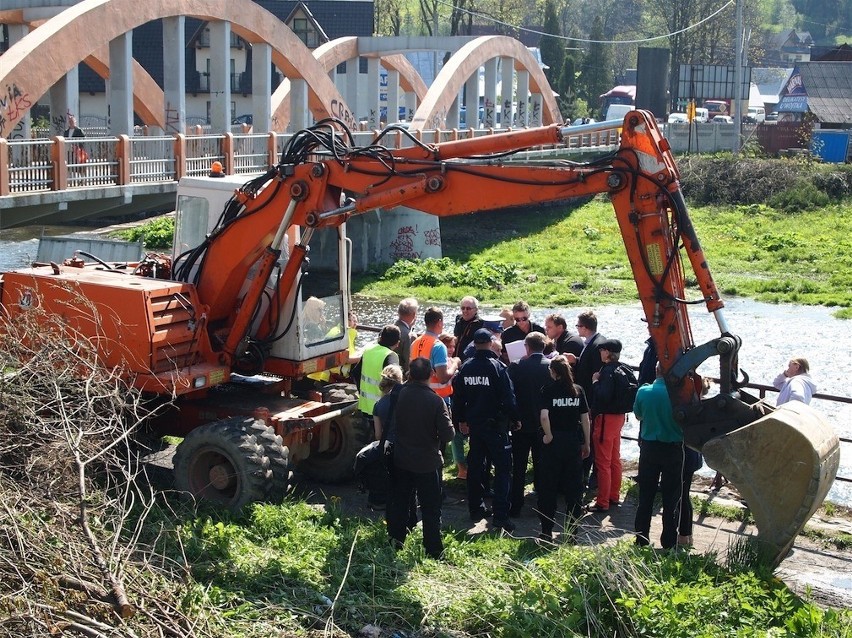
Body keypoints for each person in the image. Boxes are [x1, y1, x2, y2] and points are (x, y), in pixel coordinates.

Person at [386, 357, 454, 559]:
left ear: (410, 374)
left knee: (401, 503)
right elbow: (448, 435)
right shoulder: (435, 400)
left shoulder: (398, 394)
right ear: (431, 374)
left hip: (401, 459)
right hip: (427, 462)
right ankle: (433, 550)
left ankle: (396, 542)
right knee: (431, 509)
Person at [453, 328, 520, 532]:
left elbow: (458, 399)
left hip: (475, 426)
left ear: (474, 344)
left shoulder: (466, 368)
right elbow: (508, 398)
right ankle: (500, 516)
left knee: (475, 466)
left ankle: (476, 508)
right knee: (502, 469)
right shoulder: (498, 368)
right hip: (496, 426)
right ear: (491, 343)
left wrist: (460, 421)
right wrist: (515, 418)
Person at [537, 355, 590, 541]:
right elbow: (585, 419)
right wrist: (587, 443)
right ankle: (571, 533)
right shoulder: (578, 391)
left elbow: (544, 416)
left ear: (553, 372)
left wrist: (548, 434)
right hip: (572, 442)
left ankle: (546, 531)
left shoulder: (548, 390)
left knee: (548, 488)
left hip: (554, 444)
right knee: (574, 490)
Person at [633, 363, 685, 550]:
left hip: (649, 448)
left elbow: (638, 415)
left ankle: (641, 538)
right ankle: (669, 541)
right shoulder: (679, 395)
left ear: (656, 372)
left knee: (645, 495)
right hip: (672, 449)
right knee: (671, 498)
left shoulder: (644, 391)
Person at [507, 331, 551, 517]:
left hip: (521, 424)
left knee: (518, 466)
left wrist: (513, 418)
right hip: (544, 425)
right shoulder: (551, 367)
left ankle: (516, 504)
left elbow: (509, 395)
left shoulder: (516, 366)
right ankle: (543, 504)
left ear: (527, 347)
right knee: (543, 465)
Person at [356, 364, 404, 509]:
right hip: (405, 444)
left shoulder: (378, 405)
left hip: (388, 446)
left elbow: (378, 435)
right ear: (400, 381)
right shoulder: (406, 400)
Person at [587, 338, 627, 512]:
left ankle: (602, 502)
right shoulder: (623, 369)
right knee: (614, 460)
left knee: (602, 462)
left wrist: (595, 381)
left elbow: (603, 395)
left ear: (608, 352)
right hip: (619, 418)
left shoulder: (606, 372)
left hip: (605, 419)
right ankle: (614, 495)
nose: (600, 352)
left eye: (602, 350)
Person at [568, 311, 605, 489]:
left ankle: (588, 476)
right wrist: (576, 360)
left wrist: (590, 404)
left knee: (590, 437)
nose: (577, 329)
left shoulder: (596, 345)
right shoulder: (595, 342)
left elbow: (595, 376)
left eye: (578, 326)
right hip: (589, 399)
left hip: (590, 401)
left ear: (585, 327)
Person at [356, 325, 401, 436]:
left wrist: (361, 393)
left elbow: (355, 372)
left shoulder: (368, 350)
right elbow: (394, 382)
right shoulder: (391, 356)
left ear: (381, 337)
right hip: (381, 409)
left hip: (365, 406)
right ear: (398, 343)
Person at [410, 307, 459, 401]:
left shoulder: (415, 343)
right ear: (440, 322)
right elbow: (443, 378)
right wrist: (455, 365)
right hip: (437, 397)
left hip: (417, 394)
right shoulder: (438, 346)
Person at [439, 333, 467, 479]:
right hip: (442, 400)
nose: (450, 349)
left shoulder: (451, 360)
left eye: (452, 346)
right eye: (447, 346)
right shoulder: (444, 363)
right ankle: (459, 467)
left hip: (451, 400)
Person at [395, 298, 419, 375]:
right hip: (400, 376)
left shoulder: (388, 328)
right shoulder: (408, 335)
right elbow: (408, 363)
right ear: (414, 314)